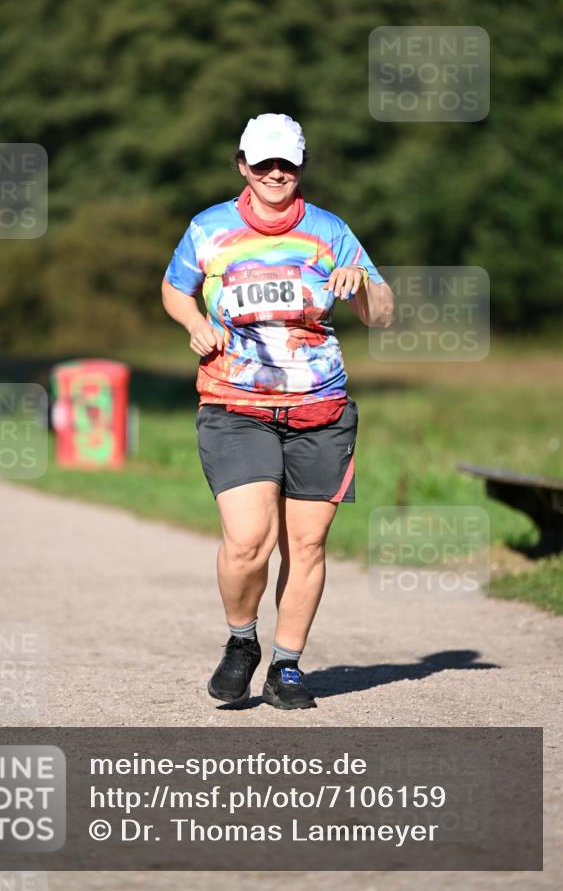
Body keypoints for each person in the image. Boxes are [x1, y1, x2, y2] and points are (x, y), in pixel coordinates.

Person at [161, 113, 394, 710]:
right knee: (248, 542)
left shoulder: (330, 231)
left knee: (307, 545)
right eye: (262, 163)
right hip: (234, 404)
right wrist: (193, 323)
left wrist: (361, 283)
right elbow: (173, 287)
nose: (274, 173)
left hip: (320, 408)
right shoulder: (209, 229)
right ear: (242, 165)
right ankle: (242, 640)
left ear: (301, 167)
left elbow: (383, 312)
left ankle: (287, 664)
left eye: (286, 163)